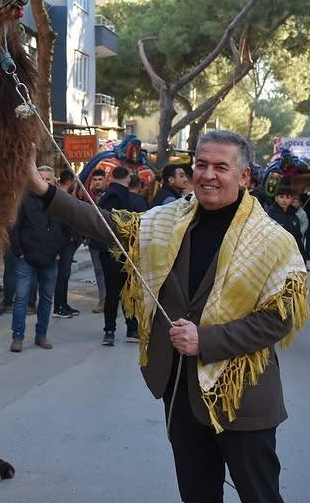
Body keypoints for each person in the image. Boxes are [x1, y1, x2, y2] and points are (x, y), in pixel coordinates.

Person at [29, 130, 308, 503]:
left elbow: (279, 318)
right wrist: (43, 189)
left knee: (260, 496)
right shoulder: (167, 221)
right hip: (180, 396)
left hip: (242, 401)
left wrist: (205, 340)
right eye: (201, 164)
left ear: (244, 177)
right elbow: (107, 225)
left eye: (220, 167)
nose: (208, 174)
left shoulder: (273, 239)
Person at [9, 165, 66, 352]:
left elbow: (68, 227)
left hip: (51, 259)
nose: (43, 181)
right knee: (21, 298)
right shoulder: (24, 199)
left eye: (47, 179)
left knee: (47, 299)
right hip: (27, 259)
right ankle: (17, 337)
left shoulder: (59, 200)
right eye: (40, 177)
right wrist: (19, 252)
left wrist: (60, 251)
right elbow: (14, 227)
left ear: (53, 181)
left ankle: (41, 335)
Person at [98, 166, 138, 345]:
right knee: (117, 292)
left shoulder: (113, 193)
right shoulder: (115, 195)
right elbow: (112, 224)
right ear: (128, 179)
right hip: (115, 251)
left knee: (124, 291)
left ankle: (129, 328)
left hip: (118, 251)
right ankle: (110, 330)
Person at [53, 169, 81, 318]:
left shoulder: (66, 196)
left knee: (65, 275)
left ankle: (63, 303)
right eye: (75, 183)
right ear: (70, 182)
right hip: (63, 244)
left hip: (67, 243)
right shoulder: (62, 198)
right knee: (62, 276)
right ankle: (59, 307)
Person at [86, 169, 108, 313]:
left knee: (111, 271)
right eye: (95, 180)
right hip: (94, 239)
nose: (98, 182)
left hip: (109, 240)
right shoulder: (88, 197)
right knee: (99, 270)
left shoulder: (110, 195)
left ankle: (112, 299)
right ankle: (103, 298)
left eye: (100, 179)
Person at [268, 186, 305, 256]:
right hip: (275, 254)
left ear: (291, 200)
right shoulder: (269, 215)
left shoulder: (294, 216)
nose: (284, 200)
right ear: (276, 198)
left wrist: (302, 257)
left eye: (288, 197)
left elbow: (298, 238)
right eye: (281, 197)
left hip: (292, 254)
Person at [291, 194, 308, 260]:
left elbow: (305, 223)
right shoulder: (290, 212)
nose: (295, 204)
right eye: (294, 202)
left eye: (297, 202)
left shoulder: (302, 213)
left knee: (300, 249)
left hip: (299, 235)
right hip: (291, 234)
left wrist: (301, 232)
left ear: (300, 203)